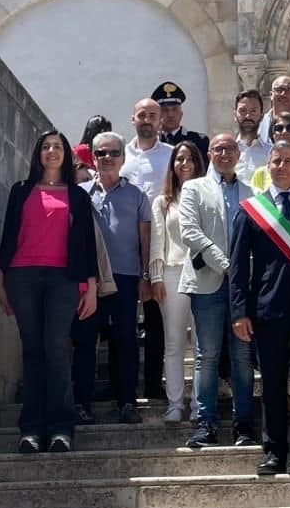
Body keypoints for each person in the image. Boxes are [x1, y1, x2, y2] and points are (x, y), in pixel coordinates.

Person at [0, 130, 98, 454]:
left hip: (62, 279)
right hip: (22, 276)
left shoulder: (78, 196)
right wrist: (0, 278)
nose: (51, 151)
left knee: (56, 347)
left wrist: (91, 286)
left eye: (57, 147)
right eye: (45, 147)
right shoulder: (20, 191)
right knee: (32, 349)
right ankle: (30, 429)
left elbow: (86, 244)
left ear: (66, 154)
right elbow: (9, 234)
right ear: (37, 154)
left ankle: (61, 428)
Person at [230, 141, 290, 475]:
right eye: (276, 161)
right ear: (266, 167)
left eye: (288, 161)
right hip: (266, 309)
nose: (282, 166)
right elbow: (239, 265)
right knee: (271, 384)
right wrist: (239, 312)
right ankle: (273, 452)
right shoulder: (250, 209)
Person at [178, 133, 256, 447]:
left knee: (242, 356)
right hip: (207, 283)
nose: (225, 153)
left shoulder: (252, 191)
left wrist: (242, 271)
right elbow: (189, 232)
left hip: (242, 288)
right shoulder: (193, 188)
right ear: (210, 153)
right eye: (219, 148)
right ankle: (205, 423)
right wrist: (225, 262)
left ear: (238, 153)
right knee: (206, 356)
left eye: (230, 148)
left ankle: (244, 424)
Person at [75, 131, 151, 424]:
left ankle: (127, 402)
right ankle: (82, 403)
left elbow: (144, 239)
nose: (107, 158)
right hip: (88, 280)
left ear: (123, 157)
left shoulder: (137, 195)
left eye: (113, 153)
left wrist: (145, 276)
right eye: (101, 153)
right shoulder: (79, 194)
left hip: (126, 277)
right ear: (92, 158)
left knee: (125, 342)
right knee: (84, 341)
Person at [121, 97, 173, 401]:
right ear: (133, 119)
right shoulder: (120, 155)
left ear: (160, 121)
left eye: (153, 115)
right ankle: (122, 387)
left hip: (160, 244)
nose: (148, 120)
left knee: (156, 323)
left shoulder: (170, 156)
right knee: (124, 323)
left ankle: (153, 384)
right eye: (142, 114)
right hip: (124, 245)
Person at [150, 141, 206, 422]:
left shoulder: (208, 195)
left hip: (203, 273)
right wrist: (156, 277)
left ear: (198, 163)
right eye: (179, 159)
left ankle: (198, 405)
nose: (184, 164)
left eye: (190, 159)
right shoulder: (163, 201)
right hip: (172, 272)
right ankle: (175, 404)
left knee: (200, 344)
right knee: (173, 342)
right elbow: (157, 242)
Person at [152, 81, 209, 163]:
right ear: (158, 115)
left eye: (174, 109)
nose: (170, 114)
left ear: (181, 114)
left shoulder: (198, 141)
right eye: (165, 110)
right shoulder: (153, 142)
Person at [233, 89, 270, 186]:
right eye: (243, 111)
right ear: (235, 115)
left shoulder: (271, 154)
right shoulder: (223, 152)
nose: (248, 116)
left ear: (261, 115)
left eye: (253, 111)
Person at [258, 75, 290, 146]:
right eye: (279, 90)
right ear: (271, 95)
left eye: (289, 90)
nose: (283, 94)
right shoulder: (257, 126)